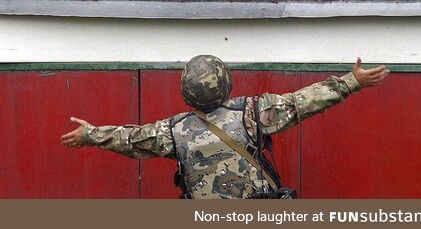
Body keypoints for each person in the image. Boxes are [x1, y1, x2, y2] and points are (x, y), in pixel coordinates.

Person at [61, 55, 389, 199]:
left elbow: (132, 139)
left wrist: (91, 134)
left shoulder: (173, 131)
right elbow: (300, 102)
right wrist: (350, 82)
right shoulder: (253, 113)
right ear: (226, 83)